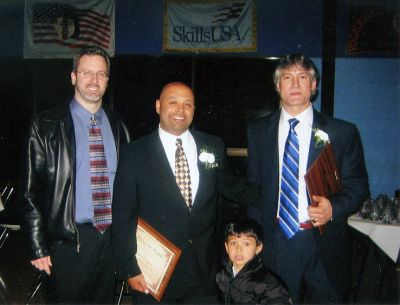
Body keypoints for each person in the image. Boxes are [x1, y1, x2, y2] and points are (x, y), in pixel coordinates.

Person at [112, 81, 252, 304]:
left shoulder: (213, 145)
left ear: (194, 111)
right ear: (158, 106)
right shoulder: (134, 153)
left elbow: (233, 188)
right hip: (155, 275)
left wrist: (280, 194)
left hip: (204, 274)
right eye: (173, 102)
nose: (181, 109)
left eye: (188, 104)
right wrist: (129, 269)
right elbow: (122, 217)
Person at [246, 54, 369, 304]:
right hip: (276, 243)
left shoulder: (341, 132)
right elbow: (255, 190)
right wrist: (254, 239)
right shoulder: (258, 130)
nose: (294, 84)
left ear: (313, 86)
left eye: (302, 77)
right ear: (277, 86)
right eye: (287, 78)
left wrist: (333, 207)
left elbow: (358, 187)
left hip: (324, 243)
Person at [19, 46, 130, 304]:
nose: (94, 81)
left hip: (109, 240)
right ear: (73, 77)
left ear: (108, 80)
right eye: (86, 73)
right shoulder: (45, 126)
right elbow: (28, 191)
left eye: (101, 74)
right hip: (66, 243)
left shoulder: (119, 126)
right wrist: (37, 246)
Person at [216, 218, 291, 305]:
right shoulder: (222, 275)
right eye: (233, 243)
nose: (239, 249)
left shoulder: (269, 285)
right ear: (226, 247)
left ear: (258, 248)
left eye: (246, 244)